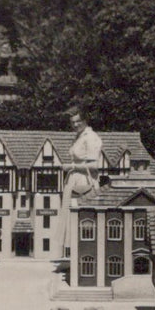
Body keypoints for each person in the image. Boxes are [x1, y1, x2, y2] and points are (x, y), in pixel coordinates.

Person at [53, 105, 103, 258]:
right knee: (71, 217)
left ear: (86, 120)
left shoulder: (91, 137)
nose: (75, 125)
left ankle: (85, 255)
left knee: (81, 217)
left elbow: (95, 165)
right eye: (72, 122)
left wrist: (71, 166)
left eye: (78, 121)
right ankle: (75, 258)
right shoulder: (79, 137)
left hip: (84, 180)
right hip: (74, 179)